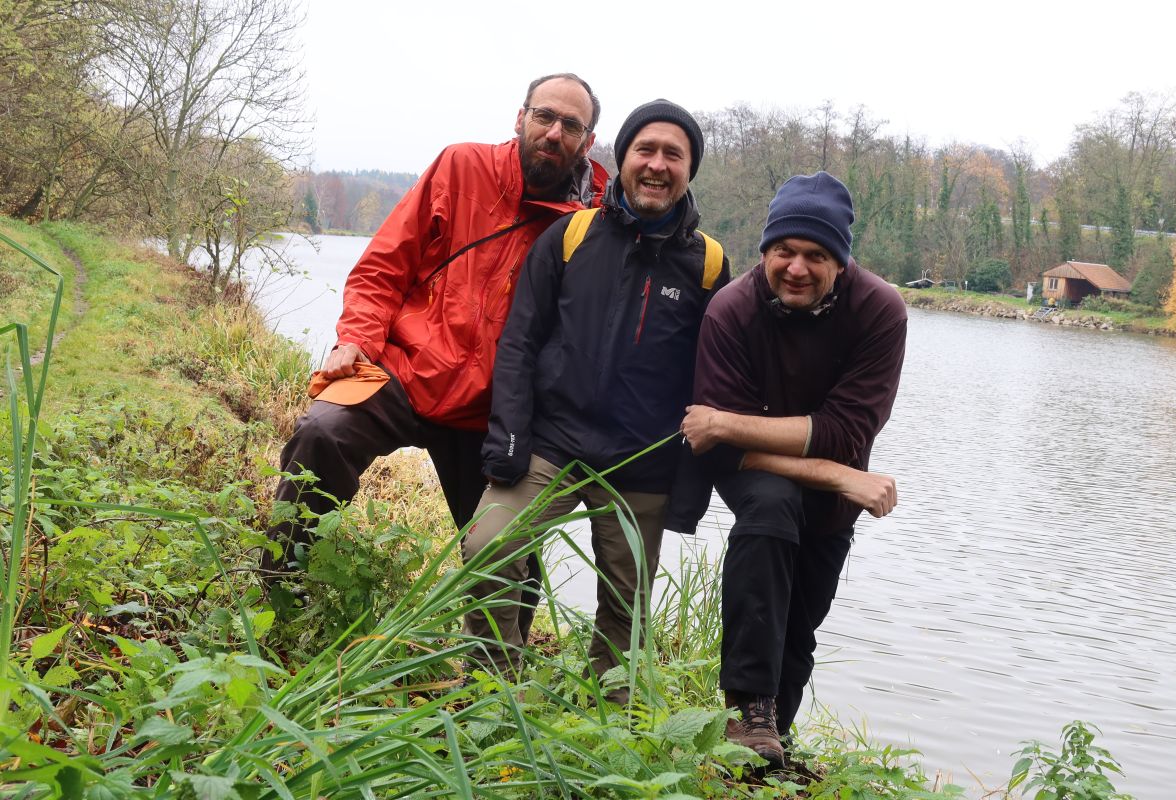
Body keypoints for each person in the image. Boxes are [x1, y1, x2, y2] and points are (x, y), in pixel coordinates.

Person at [262, 74, 609, 588]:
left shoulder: (589, 224)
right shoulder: (460, 166)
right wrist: (356, 339)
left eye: (571, 125)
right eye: (544, 116)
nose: (554, 133)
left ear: (588, 141)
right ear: (520, 118)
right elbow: (384, 268)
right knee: (322, 432)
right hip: (402, 368)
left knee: (508, 551)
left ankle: (496, 664)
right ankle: (277, 588)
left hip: (489, 412)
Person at [460, 100, 730, 699]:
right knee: (487, 548)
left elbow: (713, 384)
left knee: (625, 607)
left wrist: (691, 483)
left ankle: (606, 719)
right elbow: (519, 342)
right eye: (645, 151)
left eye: (673, 155)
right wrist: (508, 437)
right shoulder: (572, 235)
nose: (657, 165)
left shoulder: (709, 265)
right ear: (622, 157)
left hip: (642, 463)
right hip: (552, 445)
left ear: (690, 170)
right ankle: (492, 691)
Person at [675, 172, 906, 767]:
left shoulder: (880, 310)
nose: (796, 267)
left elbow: (843, 433)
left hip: (834, 485)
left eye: (815, 255)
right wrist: (840, 475)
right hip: (762, 474)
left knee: (801, 621)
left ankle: (772, 746)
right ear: (765, 253)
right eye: (784, 251)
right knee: (772, 507)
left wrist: (727, 422)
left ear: (841, 263)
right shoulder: (732, 309)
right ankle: (749, 711)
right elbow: (720, 451)